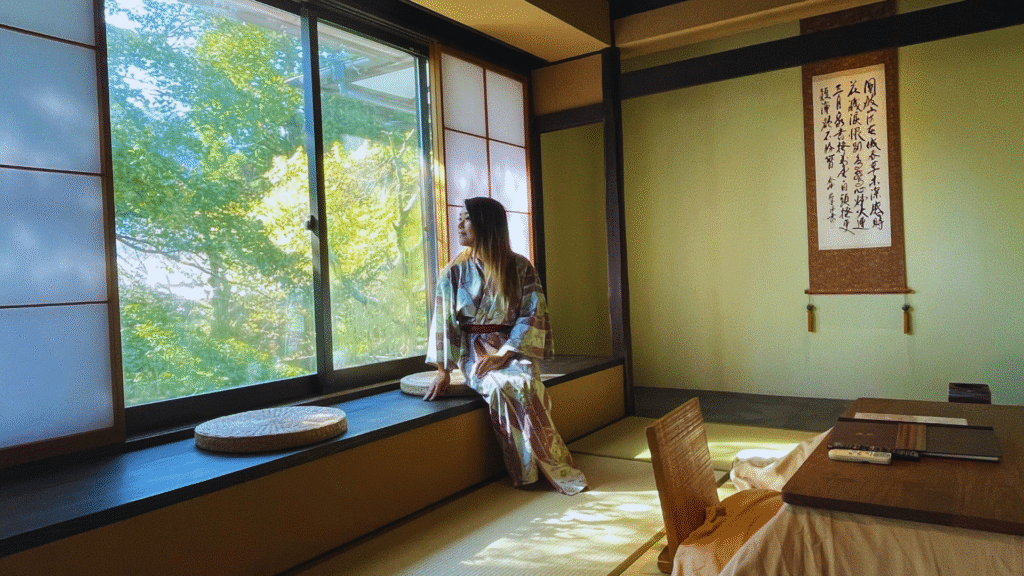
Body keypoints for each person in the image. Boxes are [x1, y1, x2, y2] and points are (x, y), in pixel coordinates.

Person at [424, 196, 588, 496]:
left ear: (487, 224)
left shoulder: (520, 267)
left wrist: (506, 352)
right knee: (500, 387)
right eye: (459, 217)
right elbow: (444, 321)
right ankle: (524, 472)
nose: (459, 223)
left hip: (511, 346)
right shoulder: (454, 272)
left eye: (467, 218)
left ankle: (549, 465)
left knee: (527, 383)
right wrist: (443, 370)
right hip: (473, 349)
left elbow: (533, 313)